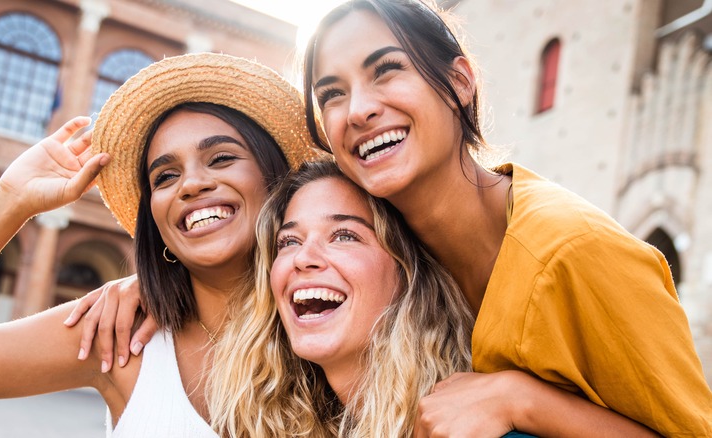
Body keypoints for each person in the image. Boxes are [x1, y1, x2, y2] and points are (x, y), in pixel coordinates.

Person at [296, 0, 712, 436]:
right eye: (332, 94)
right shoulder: (383, 261)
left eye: (386, 70)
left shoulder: (575, 252)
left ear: (459, 83)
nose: (358, 110)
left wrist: (523, 401)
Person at [0, 52, 318, 436]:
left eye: (220, 158)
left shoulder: (337, 323)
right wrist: (10, 199)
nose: (191, 184)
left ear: (276, 177)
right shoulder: (117, 338)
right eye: (165, 176)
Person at [206, 159, 659, 437]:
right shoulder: (279, 423)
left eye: (344, 235)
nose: (305, 258)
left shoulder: (478, 427)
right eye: (289, 242)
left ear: (408, 272)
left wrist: (521, 400)